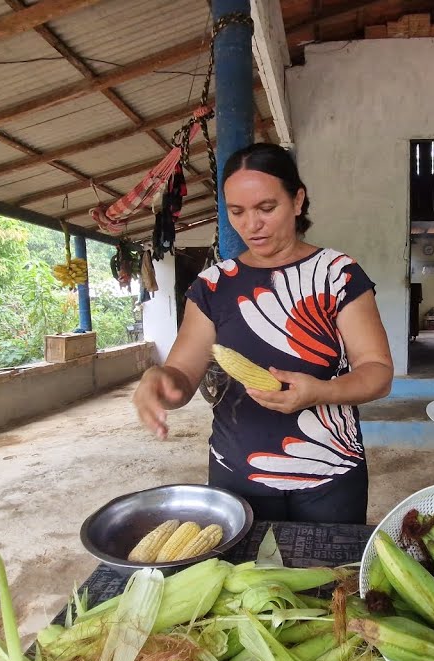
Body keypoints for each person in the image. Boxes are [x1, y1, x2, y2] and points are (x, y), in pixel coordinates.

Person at [133, 143, 392, 524]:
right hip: (239, 474)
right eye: (237, 212)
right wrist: (160, 381)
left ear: (298, 200)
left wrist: (321, 392)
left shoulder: (338, 274)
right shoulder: (212, 287)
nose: (251, 225)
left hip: (331, 470)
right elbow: (182, 376)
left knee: (330, 581)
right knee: (248, 581)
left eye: (266, 208)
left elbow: (378, 371)